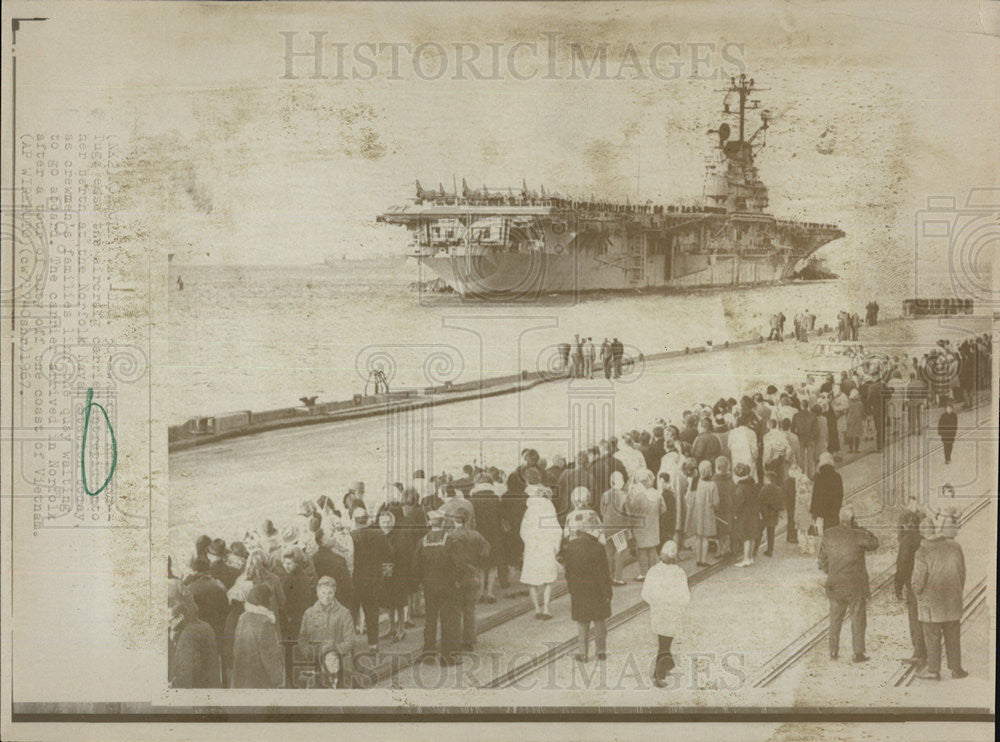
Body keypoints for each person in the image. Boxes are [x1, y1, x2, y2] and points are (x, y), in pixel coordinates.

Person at [817, 506, 879, 662]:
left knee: (835, 618)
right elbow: (875, 543)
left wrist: (832, 573)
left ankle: (833, 651)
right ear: (852, 520)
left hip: (834, 583)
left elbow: (821, 561)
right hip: (855, 585)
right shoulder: (858, 535)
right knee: (858, 618)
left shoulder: (829, 534)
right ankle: (858, 653)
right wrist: (860, 529)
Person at [913, 509, 968, 680]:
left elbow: (918, 582)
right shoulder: (955, 546)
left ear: (922, 534)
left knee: (932, 636)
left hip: (932, 604)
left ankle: (933, 671)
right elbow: (962, 573)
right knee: (953, 634)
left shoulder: (922, 552)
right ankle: (956, 669)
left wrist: (917, 593)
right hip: (953, 601)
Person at [560, 511, 612, 664]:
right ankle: (601, 651)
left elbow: (568, 572)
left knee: (582, 623)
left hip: (579, 590)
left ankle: (583, 654)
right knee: (599, 621)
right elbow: (605, 572)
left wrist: (572, 589)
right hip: (597, 590)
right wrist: (608, 592)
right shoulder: (598, 547)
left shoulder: (570, 548)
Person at [411, 510, 461, 665]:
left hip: (429, 587)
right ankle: (447, 657)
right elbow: (458, 564)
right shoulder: (450, 540)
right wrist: (457, 581)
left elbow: (415, 565)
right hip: (447, 586)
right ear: (443, 522)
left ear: (430, 523)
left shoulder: (423, 541)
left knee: (430, 620)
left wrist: (417, 583)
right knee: (448, 620)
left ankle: (428, 654)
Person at [640, 541, 690, 688]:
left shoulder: (653, 571)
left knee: (663, 641)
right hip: (672, 613)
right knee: (665, 644)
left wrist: (656, 603)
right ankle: (659, 674)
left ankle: (668, 665)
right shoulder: (679, 573)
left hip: (658, 613)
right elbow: (685, 597)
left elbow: (645, 594)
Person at [297, 576, 361, 687]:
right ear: (317, 593)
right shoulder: (309, 613)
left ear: (334, 593)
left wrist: (335, 651)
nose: (326, 597)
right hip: (316, 661)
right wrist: (309, 653)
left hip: (338, 662)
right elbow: (303, 639)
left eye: (330, 593)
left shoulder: (344, 613)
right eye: (323, 593)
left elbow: (350, 640)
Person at [446, 509, 490, 651]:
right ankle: (469, 641)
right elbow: (486, 551)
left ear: (454, 520)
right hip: (473, 575)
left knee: (456, 610)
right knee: (470, 609)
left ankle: (456, 640)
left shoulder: (450, 536)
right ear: (467, 519)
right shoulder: (476, 535)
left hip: (456, 577)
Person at [350, 508, 390, 651]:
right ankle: (373, 644)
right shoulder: (379, 534)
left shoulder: (351, 535)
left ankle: (350, 645)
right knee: (372, 612)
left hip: (355, 580)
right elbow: (388, 553)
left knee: (352, 613)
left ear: (355, 521)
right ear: (367, 519)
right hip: (373, 579)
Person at [894, 494, 926, 669]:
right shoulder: (925, 537)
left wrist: (898, 587)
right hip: (928, 582)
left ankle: (919, 652)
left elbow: (902, 564)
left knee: (915, 617)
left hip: (913, 583)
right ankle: (927, 650)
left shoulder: (907, 539)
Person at [168, 580, 221, 688]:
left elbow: (185, 676)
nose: (167, 610)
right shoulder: (199, 626)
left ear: (184, 604)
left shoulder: (192, 631)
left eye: (171, 604)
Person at [520, 486, 562, 619]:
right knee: (548, 580)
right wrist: (556, 547)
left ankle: (537, 609)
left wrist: (529, 543)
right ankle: (546, 609)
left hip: (532, 548)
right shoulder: (549, 509)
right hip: (546, 547)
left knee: (532, 580)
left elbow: (523, 531)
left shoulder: (529, 510)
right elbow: (556, 530)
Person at [232, 584, 285, 688]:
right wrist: (278, 679)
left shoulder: (243, 618)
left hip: (242, 678)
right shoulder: (265, 623)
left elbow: (235, 648)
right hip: (260, 680)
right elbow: (269, 655)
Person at [625, 469, 666, 580]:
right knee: (652, 549)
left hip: (641, 526)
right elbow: (663, 509)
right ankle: (655, 571)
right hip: (653, 525)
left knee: (642, 550)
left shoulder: (638, 495)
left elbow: (631, 510)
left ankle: (644, 573)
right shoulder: (657, 493)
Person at [469, 476, 504, 603]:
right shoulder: (496, 498)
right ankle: (489, 592)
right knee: (492, 565)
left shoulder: (473, 499)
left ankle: (480, 593)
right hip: (494, 535)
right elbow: (501, 517)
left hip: (479, 535)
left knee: (481, 565)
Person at [376, 510, 409, 642]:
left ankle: (401, 628)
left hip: (397, 573)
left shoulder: (398, 536)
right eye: (383, 522)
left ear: (393, 523)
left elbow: (400, 554)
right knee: (388, 602)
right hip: (384, 573)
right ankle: (391, 627)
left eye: (388, 522)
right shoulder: (379, 535)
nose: (386, 525)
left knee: (399, 602)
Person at [601, 471, 632, 585]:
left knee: (609, 553)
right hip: (619, 528)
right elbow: (628, 513)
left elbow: (602, 510)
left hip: (607, 528)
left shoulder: (605, 494)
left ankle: (609, 576)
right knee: (620, 551)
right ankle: (618, 577)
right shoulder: (623, 495)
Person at [686, 460, 719, 567]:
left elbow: (688, 497)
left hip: (696, 512)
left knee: (698, 536)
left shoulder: (695, 481)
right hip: (707, 513)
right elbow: (716, 502)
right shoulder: (712, 484)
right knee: (705, 537)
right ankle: (703, 560)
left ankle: (697, 559)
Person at [731, 463, 759, 567]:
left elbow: (739, 502)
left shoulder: (741, 487)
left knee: (745, 536)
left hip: (744, 514)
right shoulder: (752, 484)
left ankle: (746, 558)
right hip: (753, 512)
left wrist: (735, 513)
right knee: (752, 536)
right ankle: (750, 557)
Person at [811, 452, 844, 535]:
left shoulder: (818, 476)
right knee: (833, 533)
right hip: (834, 511)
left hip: (821, 512)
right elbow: (840, 494)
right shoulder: (837, 476)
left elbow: (815, 495)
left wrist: (814, 511)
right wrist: (838, 507)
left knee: (823, 535)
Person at [758, 468, 784, 557]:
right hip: (774, 514)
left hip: (764, 514)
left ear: (768, 479)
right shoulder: (779, 489)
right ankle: (770, 551)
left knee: (759, 531)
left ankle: (754, 550)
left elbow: (760, 501)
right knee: (771, 533)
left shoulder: (763, 489)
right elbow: (781, 503)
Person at [712, 456, 734, 556]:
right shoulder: (730, 479)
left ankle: (720, 550)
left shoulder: (714, 480)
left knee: (720, 529)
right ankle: (728, 547)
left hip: (719, 508)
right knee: (728, 527)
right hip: (729, 507)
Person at [844, 389, 865, 453]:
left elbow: (846, 411)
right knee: (857, 435)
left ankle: (850, 449)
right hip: (858, 420)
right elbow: (862, 412)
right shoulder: (860, 403)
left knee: (850, 435)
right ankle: (856, 449)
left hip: (850, 419)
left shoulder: (849, 403)